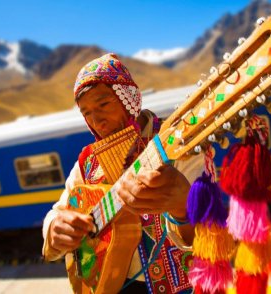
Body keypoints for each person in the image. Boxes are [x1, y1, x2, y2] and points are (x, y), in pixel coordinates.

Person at [42, 53, 204, 293]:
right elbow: (59, 211)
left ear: (129, 98)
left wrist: (184, 208)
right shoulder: (88, 161)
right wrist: (55, 228)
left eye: (103, 104)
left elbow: (209, 236)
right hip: (111, 283)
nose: (97, 121)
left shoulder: (179, 145)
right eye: (86, 112)